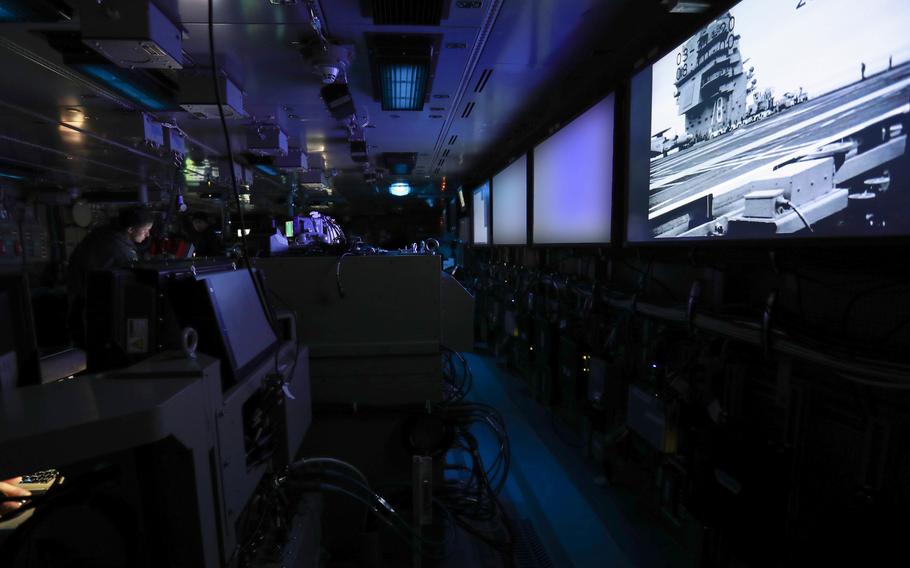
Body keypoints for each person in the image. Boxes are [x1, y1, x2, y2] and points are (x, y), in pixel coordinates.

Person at [66, 206, 154, 347]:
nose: (148, 235)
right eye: (145, 230)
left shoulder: (104, 234)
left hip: (82, 298)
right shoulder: (118, 248)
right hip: (97, 306)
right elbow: (132, 274)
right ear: (130, 229)